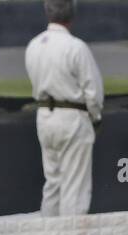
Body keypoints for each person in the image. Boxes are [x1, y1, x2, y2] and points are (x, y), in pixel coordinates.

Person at [25, 0, 102, 217]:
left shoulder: (33, 45)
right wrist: (95, 118)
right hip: (72, 117)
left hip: (45, 117)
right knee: (74, 186)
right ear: (72, 16)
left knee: (53, 183)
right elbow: (93, 91)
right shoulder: (75, 46)